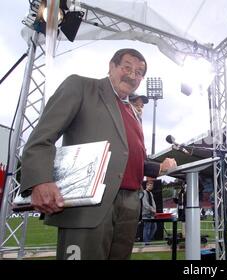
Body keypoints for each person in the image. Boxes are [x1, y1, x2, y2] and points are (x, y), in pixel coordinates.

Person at [19, 48, 177, 260]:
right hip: (89, 203)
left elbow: (129, 157)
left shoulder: (133, 111)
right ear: (111, 66)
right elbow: (42, 137)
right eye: (127, 67)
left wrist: (159, 168)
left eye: (139, 72)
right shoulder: (82, 86)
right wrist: (41, 180)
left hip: (130, 204)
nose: (133, 75)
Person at [142, 179, 157, 245]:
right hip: (146, 213)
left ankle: (148, 240)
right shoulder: (144, 193)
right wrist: (152, 209)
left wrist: (154, 209)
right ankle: (146, 242)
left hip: (152, 214)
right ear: (146, 186)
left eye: (152, 185)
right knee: (147, 228)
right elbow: (145, 204)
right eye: (149, 185)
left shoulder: (151, 193)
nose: (151, 186)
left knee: (154, 227)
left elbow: (153, 203)